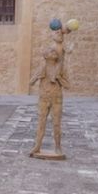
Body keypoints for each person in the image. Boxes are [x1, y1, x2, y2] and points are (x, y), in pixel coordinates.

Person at [30, 23, 70, 157]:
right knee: (41, 122)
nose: (52, 52)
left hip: (57, 98)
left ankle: (58, 147)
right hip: (44, 97)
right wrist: (36, 78)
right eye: (50, 51)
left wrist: (59, 78)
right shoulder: (43, 68)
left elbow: (68, 85)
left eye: (53, 52)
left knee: (56, 123)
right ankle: (37, 146)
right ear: (45, 55)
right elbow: (32, 81)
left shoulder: (61, 69)